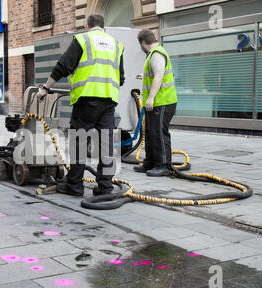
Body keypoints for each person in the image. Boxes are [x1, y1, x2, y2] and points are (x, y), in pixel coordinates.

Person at [37, 14, 125, 197]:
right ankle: (105, 188)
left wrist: (45, 88)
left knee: (79, 142)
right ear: (103, 27)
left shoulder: (83, 39)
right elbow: (121, 78)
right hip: (109, 101)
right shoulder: (116, 44)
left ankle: (75, 186)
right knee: (106, 145)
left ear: (87, 26)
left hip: (86, 100)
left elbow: (63, 66)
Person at [134, 29, 178, 177]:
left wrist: (151, 97)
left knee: (159, 133)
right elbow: (155, 74)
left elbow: (159, 76)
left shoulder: (157, 54)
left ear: (143, 43)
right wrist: (144, 75)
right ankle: (151, 162)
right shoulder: (153, 54)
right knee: (151, 133)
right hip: (158, 102)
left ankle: (164, 165)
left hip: (162, 102)